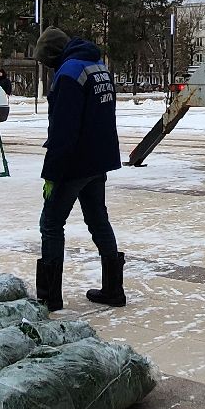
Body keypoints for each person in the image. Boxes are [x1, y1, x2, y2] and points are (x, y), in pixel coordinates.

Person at [34, 27, 125, 310]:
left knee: (51, 223)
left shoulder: (69, 74)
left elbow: (64, 131)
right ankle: (113, 290)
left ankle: (49, 297)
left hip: (75, 163)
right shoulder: (97, 66)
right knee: (98, 220)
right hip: (99, 160)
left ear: (52, 55)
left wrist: (51, 173)